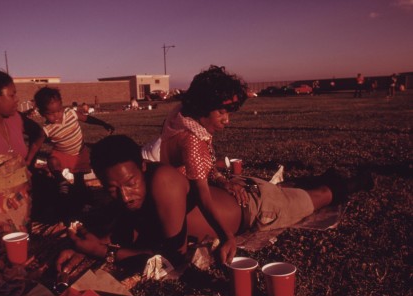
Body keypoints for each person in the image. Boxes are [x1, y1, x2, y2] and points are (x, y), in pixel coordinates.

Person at [56, 135, 373, 272]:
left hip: (257, 208)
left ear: (142, 168)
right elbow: (127, 230)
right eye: (113, 190)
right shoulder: (130, 190)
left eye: (129, 184)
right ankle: (321, 179)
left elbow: (174, 257)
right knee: (303, 190)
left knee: (319, 199)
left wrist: (102, 252)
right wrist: (88, 244)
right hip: (241, 199)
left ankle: (355, 180)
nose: (125, 197)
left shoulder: (161, 182)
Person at [159, 65, 373, 263]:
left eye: (229, 112)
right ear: (202, 106)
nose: (227, 120)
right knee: (305, 196)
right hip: (255, 205)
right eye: (221, 112)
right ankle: (351, 180)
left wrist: (223, 182)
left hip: (247, 198)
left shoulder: (177, 119)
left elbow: (198, 175)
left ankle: (358, 182)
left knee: (314, 196)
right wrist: (227, 236)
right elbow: (202, 195)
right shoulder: (192, 140)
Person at [26, 87, 114, 220]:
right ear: (42, 113)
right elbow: (36, 145)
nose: (57, 115)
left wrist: (103, 123)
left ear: (62, 106)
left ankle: (83, 202)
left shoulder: (70, 113)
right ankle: (61, 181)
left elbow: (87, 118)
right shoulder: (46, 129)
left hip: (79, 153)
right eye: (51, 113)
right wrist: (28, 161)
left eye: (58, 110)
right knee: (52, 160)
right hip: (62, 153)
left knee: (79, 181)